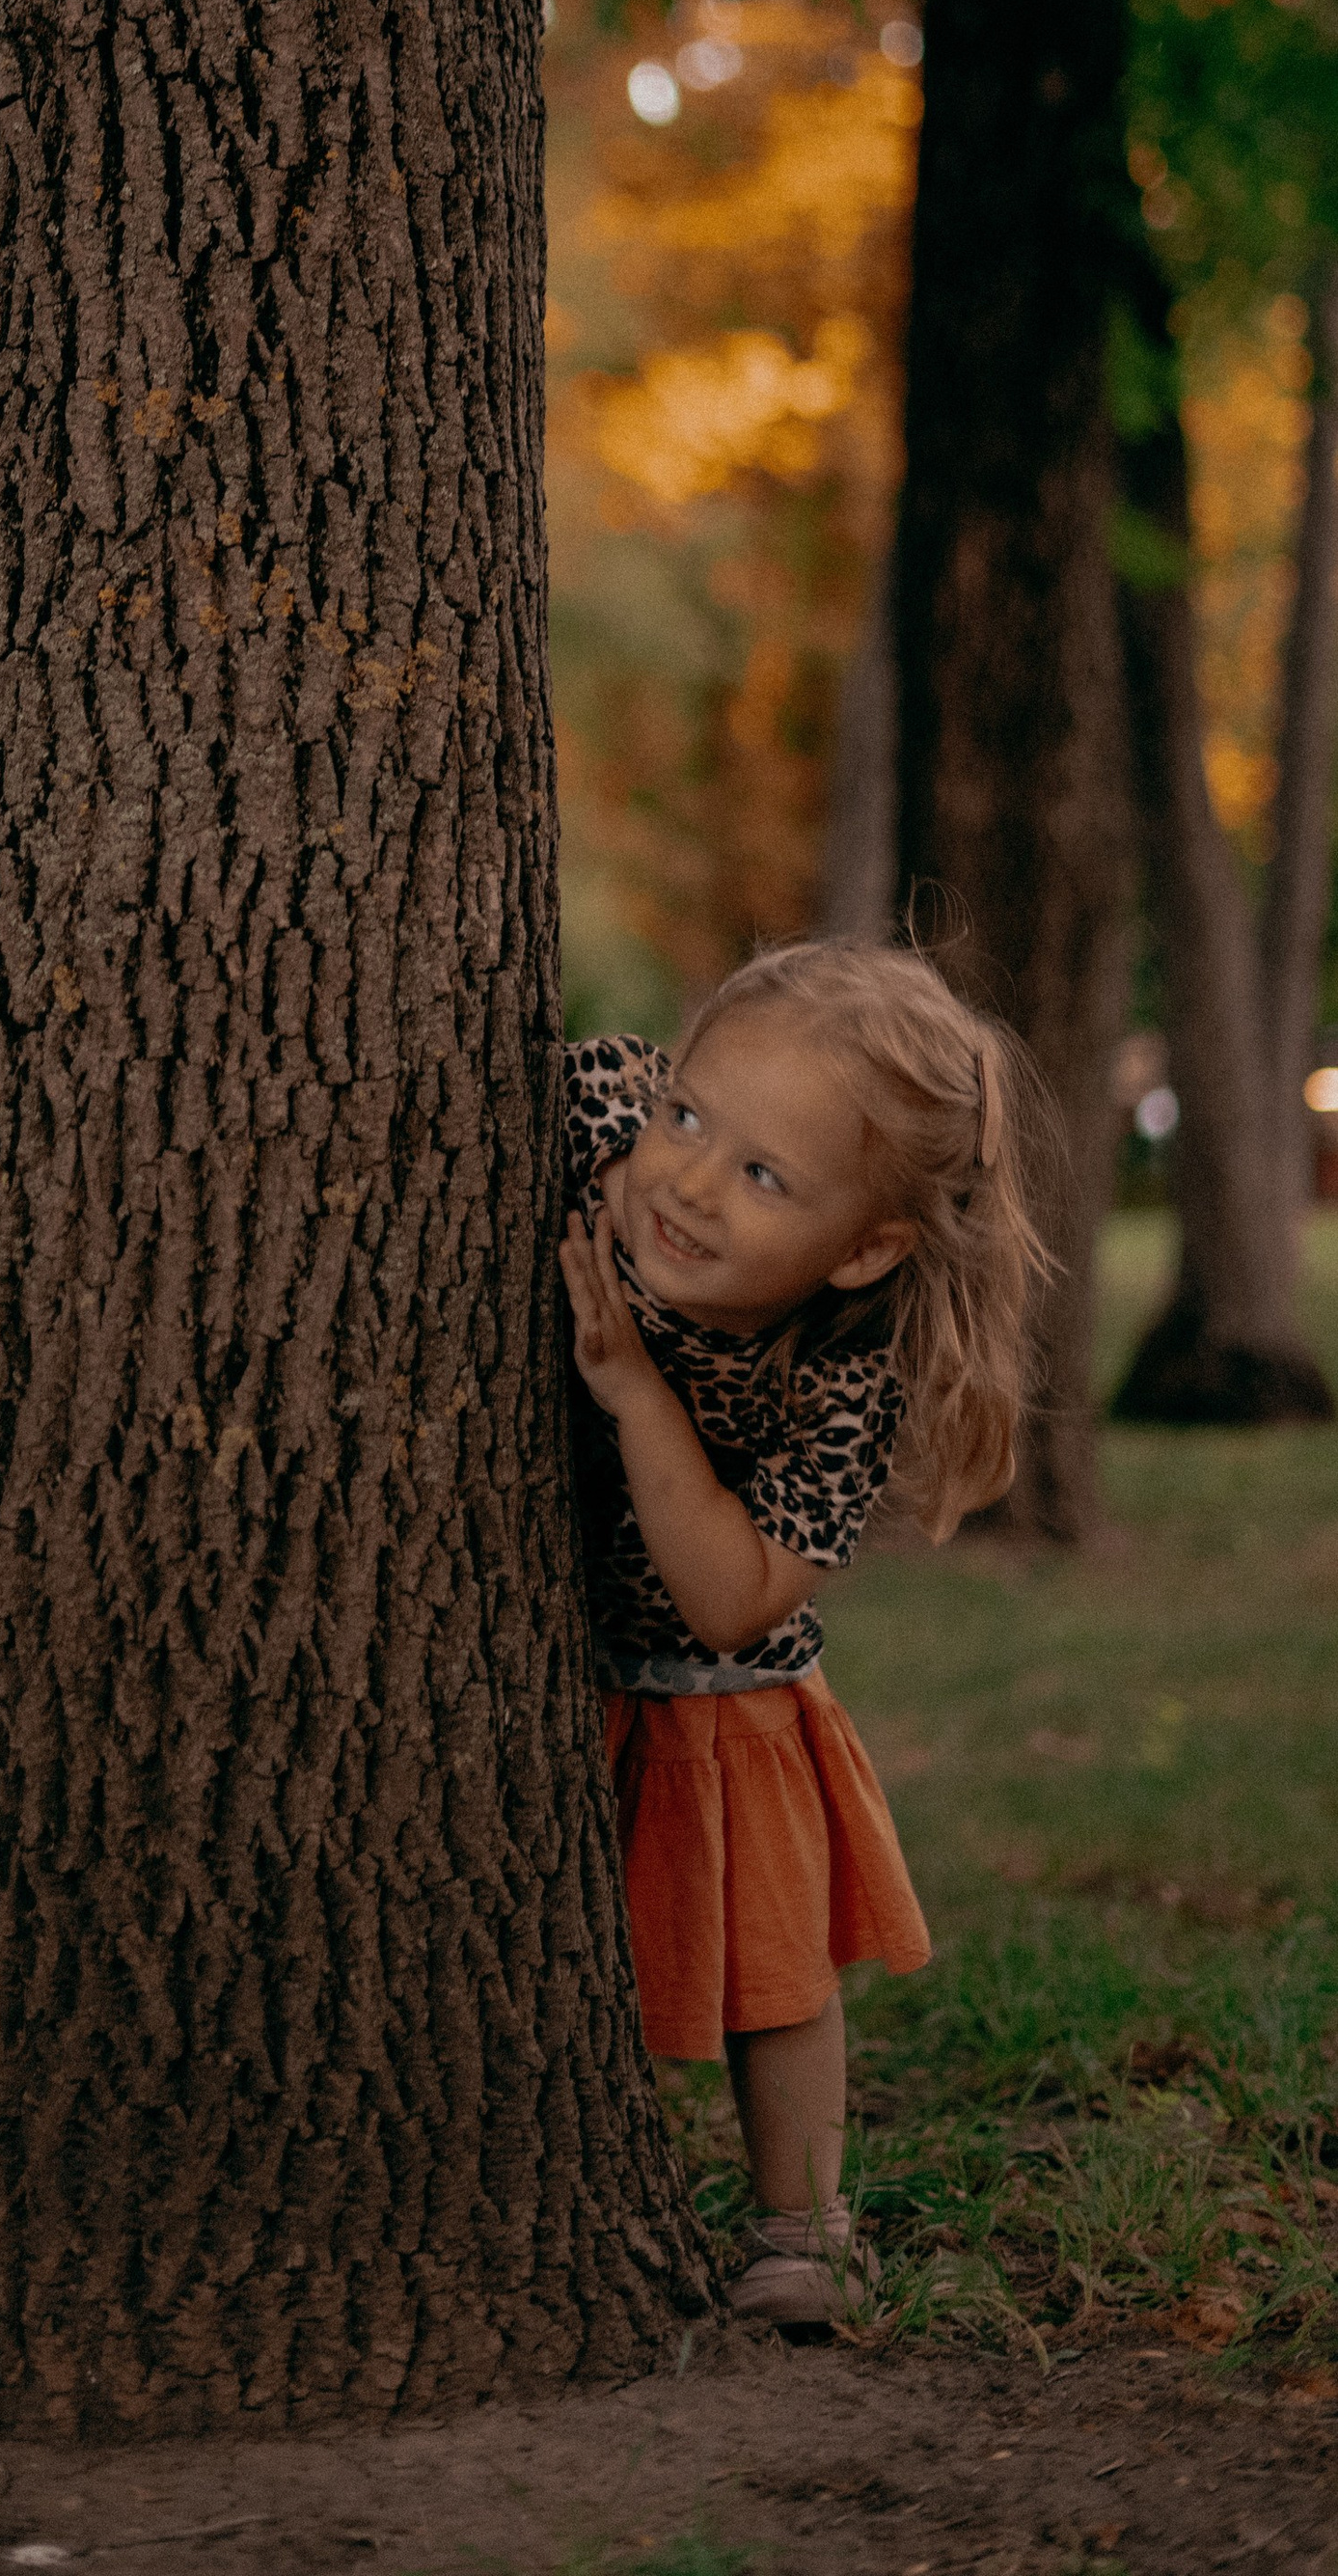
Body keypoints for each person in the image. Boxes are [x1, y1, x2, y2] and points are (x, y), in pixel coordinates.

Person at [560, 940, 1043, 2328]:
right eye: (691, 1117)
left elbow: (731, 1597)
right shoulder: (604, 1130)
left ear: (868, 1247)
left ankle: (805, 2232)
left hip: (728, 1698)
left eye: (765, 1176)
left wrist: (635, 1392)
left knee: (773, 1977)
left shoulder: (845, 1385)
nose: (692, 1185)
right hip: (556, 1674)